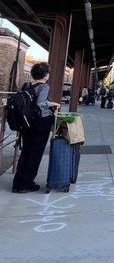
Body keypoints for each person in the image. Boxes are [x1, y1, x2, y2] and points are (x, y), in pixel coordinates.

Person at [12, 62, 60, 193]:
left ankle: (17, 183)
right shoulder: (44, 86)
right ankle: (26, 184)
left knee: (26, 152)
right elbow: (40, 103)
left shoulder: (26, 85)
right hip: (41, 124)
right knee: (35, 154)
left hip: (27, 124)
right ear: (45, 75)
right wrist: (53, 103)